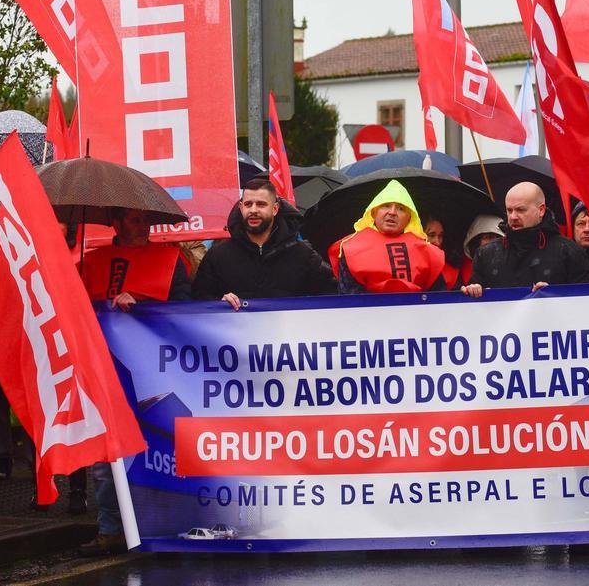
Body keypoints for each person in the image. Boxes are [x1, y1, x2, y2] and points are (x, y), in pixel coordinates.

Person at [80, 207, 191, 556]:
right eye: (134, 220)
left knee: (162, 448)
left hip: (159, 373)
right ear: (116, 223)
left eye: (145, 220)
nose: (142, 226)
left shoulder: (171, 260)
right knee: (107, 456)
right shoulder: (92, 263)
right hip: (108, 369)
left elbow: (186, 311)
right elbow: (78, 311)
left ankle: (166, 524)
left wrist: (142, 305)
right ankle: (111, 528)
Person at [193, 178, 337, 306]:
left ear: (275, 209)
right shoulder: (218, 255)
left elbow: (332, 295)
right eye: (248, 204)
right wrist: (219, 303)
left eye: (261, 204)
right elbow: (196, 300)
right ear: (241, 207)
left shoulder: (302, 254)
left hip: (287, 335)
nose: (253, 210)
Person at [462, 182, 589, 298]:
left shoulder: (569, 251)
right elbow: (472, 309)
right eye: (509, 210)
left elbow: (584, 304)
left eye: (520, 210)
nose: (513, 217)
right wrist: (472, 291)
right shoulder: (486, 254)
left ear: (541, 210)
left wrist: (555, 295)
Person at [330, 180, 446, 294]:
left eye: (401, 208)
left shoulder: (428, 252)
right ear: (373, 212)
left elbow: (441, 299)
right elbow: (349, 299)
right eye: (386, 206)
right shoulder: (351, 248)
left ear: (410, 218)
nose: (392, 212)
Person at [423, 214, 468, 289]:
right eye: (431, 235)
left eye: (440, 236)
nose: (437, 242)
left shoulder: (451, 272)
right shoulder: (407, 267)